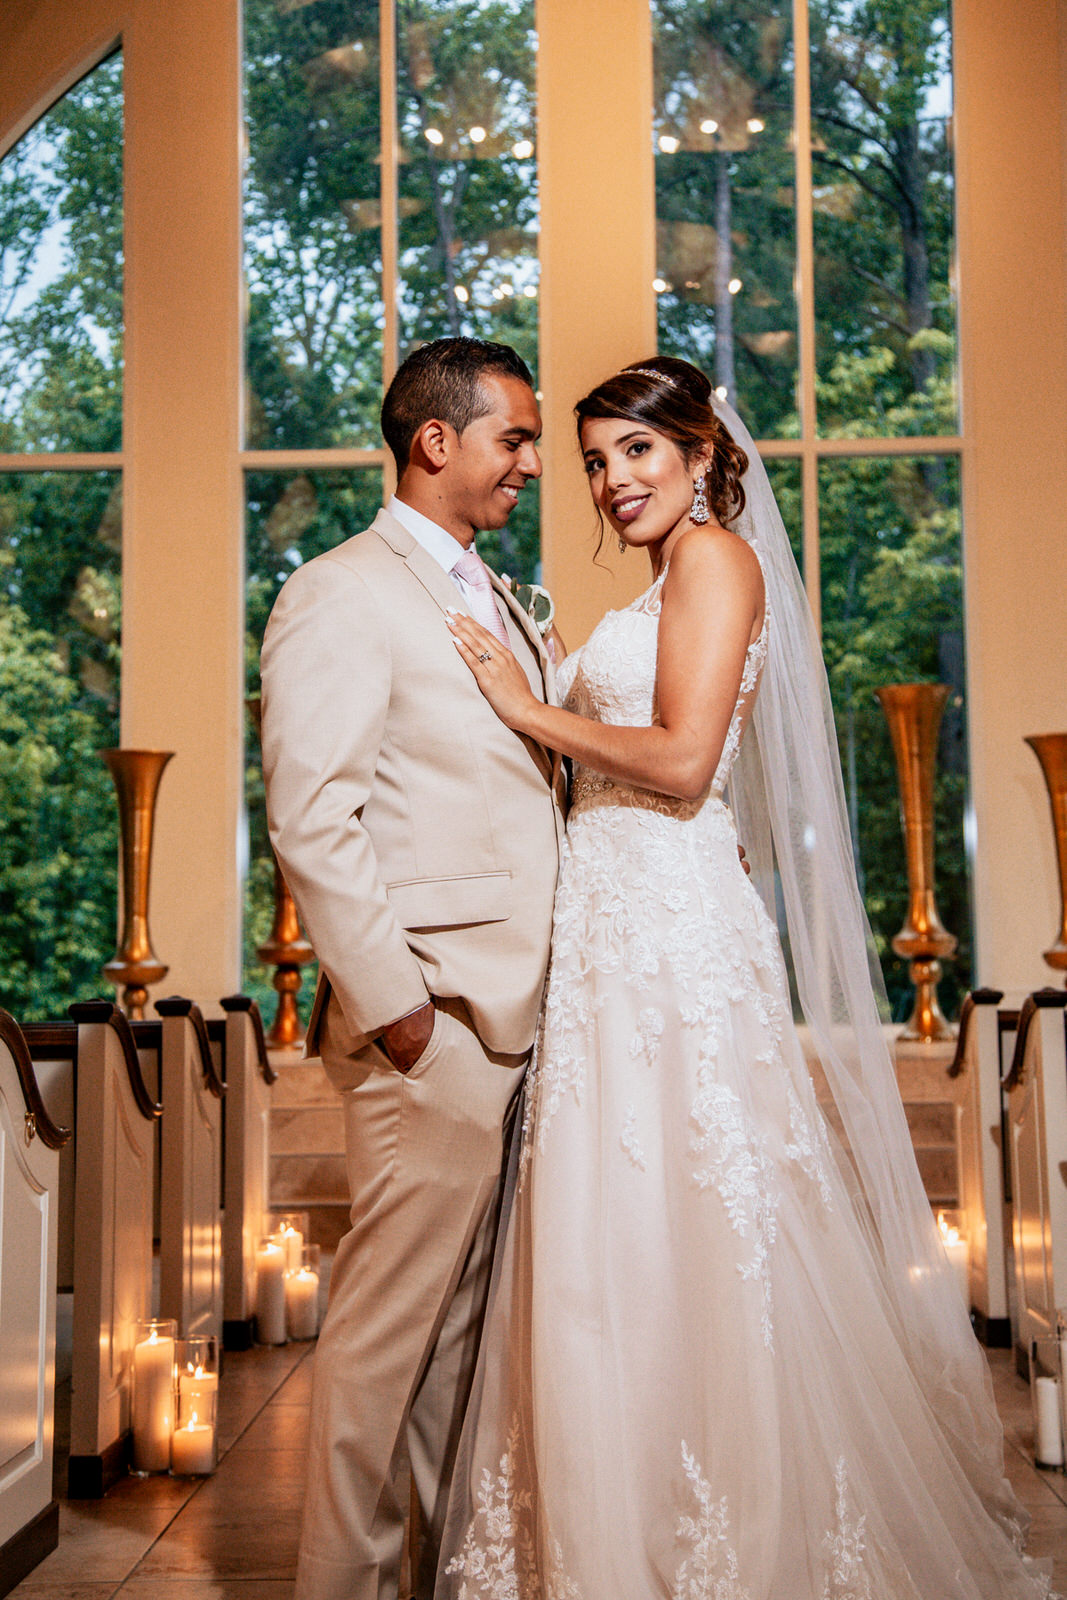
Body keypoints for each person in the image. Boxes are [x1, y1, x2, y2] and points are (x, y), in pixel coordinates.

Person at [438, 356, 1055, 1598]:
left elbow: (676, 759)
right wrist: (557, 660)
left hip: (666, 934)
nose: (612, 481)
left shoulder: (718, 559)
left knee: (688, 1214)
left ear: (705, 454)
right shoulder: (668, 578)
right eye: (596, 460)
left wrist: (524, 703)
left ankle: (714, 1530)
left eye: (638, 454)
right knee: (615, 1220)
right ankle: (609, 1520)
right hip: (612, 931)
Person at [260, 336, 567, 1600]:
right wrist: (400, 1017)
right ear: (434, 441)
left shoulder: (485, 590)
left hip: (518, 1025)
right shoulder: (340, 591)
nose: (534, 465)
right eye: (515, 438)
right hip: (436, 1029)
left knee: (455, 1355)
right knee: (383, 1359)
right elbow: (310, 817)